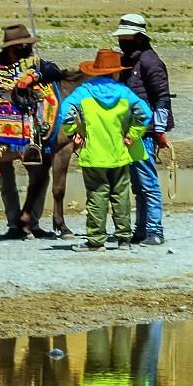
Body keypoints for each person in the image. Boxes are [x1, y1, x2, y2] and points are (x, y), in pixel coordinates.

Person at [0, 23, 69, 239]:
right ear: (13, 48)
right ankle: (14, 223)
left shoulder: (35, 63)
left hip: (32, 131)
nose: (27, 49)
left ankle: (32, 222)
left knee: (38, 175)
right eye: (24, 46)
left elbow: (55, 71)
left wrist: (34, 77)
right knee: (6, 178)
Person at [55, 49, 152, 250]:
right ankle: (124, 239)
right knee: (121, 196)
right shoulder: (125, 92)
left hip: (93, 155)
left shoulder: (83, 92)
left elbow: (65, 113)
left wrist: (74, 134)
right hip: (119, 153)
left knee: (97, 196)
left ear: (96, 71)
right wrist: (132, 135)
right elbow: (145, 113)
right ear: (116, 72)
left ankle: (96, 240)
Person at [112, 13, 171, 245]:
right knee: (138, 184)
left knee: (148, 183)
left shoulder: (150, 62)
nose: (121, 41)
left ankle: (155, 230)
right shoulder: (131, 61)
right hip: (130, 131)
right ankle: (141, 229)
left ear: (137, 38)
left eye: (125, 37)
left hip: (144, 132)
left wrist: (159, 130)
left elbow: (162, 99)